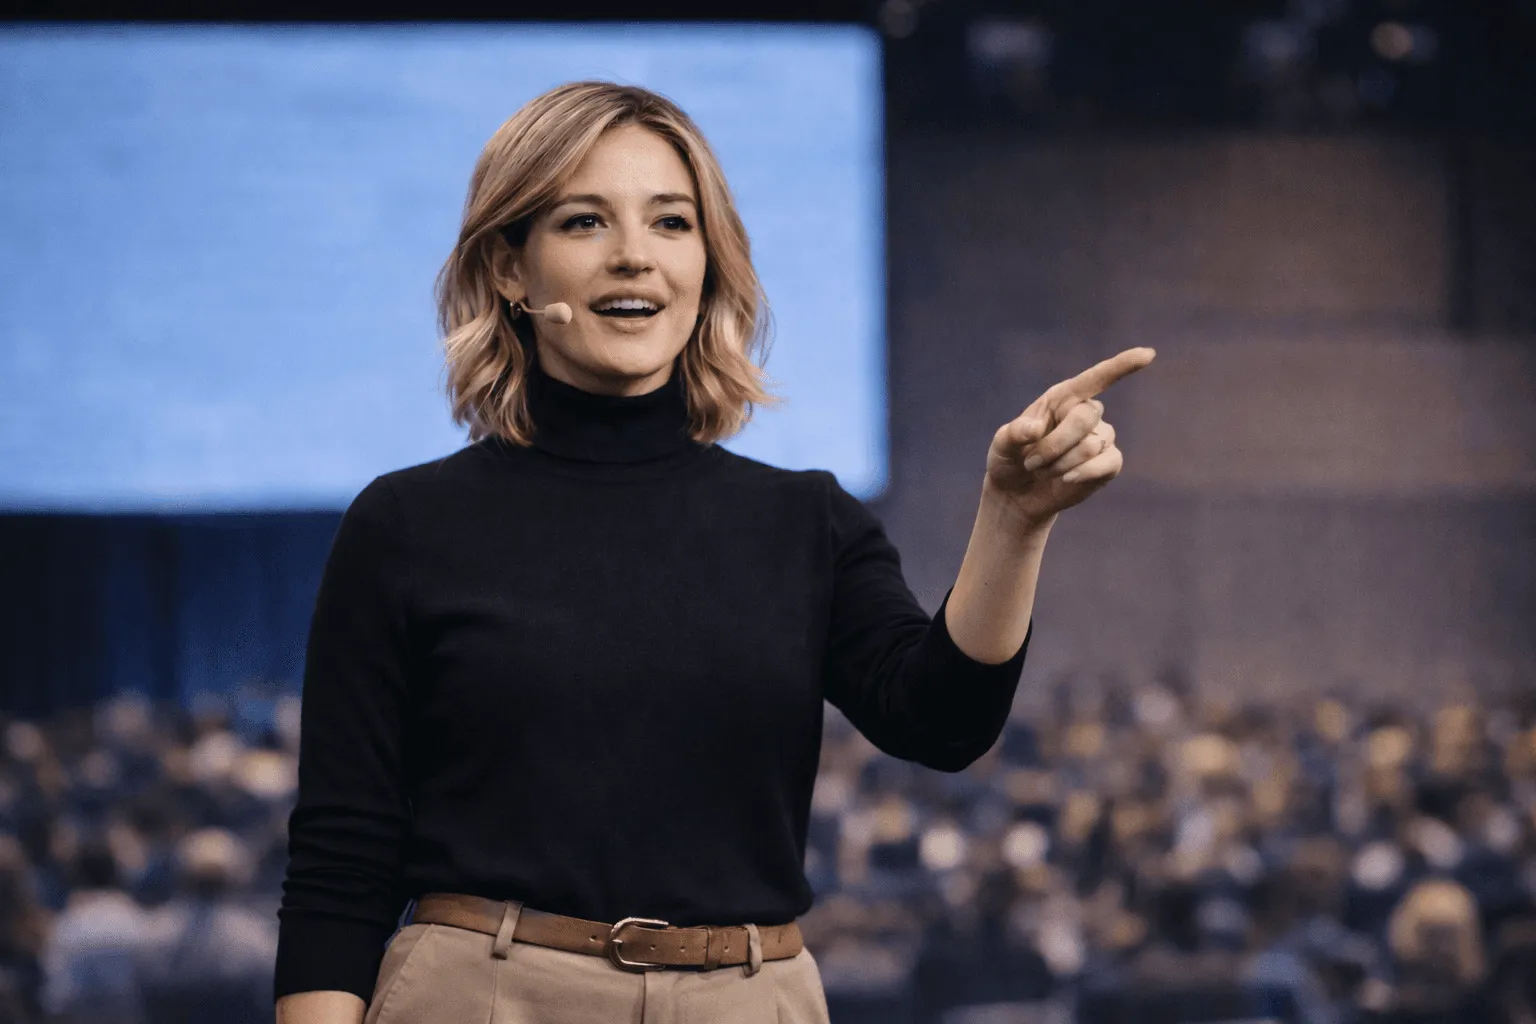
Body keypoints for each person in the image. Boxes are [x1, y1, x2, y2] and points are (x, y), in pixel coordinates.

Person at [272, 79, 1153, 1024]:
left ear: (709, 261)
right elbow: (342, 858)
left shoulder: (805, 521)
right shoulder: (406, 525)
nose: (634, 258)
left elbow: (940, 722)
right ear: (510, 271)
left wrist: (1014, 520)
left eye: (671, 223)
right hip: (485, 993)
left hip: (749, 996)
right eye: (582, 223)